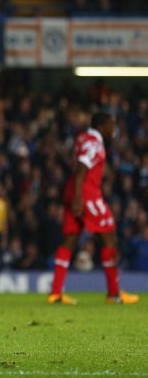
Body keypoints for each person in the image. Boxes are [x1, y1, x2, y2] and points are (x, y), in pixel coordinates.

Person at [48, 112, 139, 305]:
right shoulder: (94, 142)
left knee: (69, 239)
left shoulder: (82, 138)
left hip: (73, 192)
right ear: (102, 125)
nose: (113, 130)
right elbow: (82, 167)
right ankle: (114, 294)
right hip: (87, 195)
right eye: (111, 125)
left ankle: (56, 292)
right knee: (109, 236)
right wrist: (79, 198)